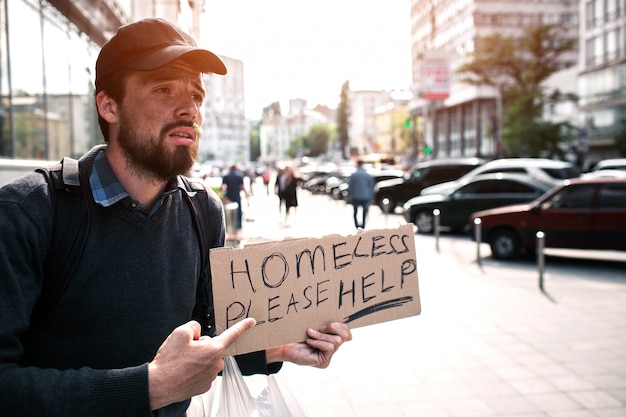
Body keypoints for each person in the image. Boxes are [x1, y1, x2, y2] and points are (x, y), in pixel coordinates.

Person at [0, 18, 351, 417]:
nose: (189, 109)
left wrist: (277, 345)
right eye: (163, 89)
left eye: (196, 96)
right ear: (108, 105)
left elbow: (209, 337)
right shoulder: (28, 212)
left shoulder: (202, 209)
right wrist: (148, 387)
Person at [222, 164, 248, 236]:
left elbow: (222, 187)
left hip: (229, 197)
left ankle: (229, 230)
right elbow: (242, 187)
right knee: (238, 213)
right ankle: (238, 229)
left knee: (228, 214)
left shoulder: (226, 176)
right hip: (237, 196)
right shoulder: (239, 176)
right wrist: (247, 195)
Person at [347, 159, 375, 229]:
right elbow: (371, 187)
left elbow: (350, 186)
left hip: (356, 196)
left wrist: (350, 196)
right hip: (365, 196)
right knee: (364, 212)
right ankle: (363, 225)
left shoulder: (354, 175)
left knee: (355, 212)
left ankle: (357, 226)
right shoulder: (367, 175)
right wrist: (371, 196)